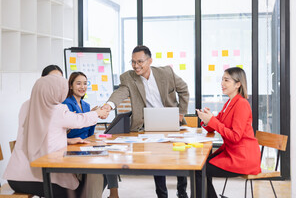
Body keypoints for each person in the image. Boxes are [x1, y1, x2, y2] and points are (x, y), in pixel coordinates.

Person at [102, 45, 190, 198]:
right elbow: (120, 93)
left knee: (179, 156)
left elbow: (184, 89)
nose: (136, 66)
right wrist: (108, 106)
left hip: (171, 121)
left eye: (140, 62)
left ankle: (182, 192)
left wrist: (181, 113)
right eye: (133, 62)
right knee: (157, 160)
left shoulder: (166, 73)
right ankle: (162, 195)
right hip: (149, 125)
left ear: (150, 61)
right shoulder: (128, 78)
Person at [3, 74, 109, 197]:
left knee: (85, 183)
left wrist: (67, 141)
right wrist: (97, 113)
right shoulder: (55, 109)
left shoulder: (26, 105)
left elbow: (40, 134)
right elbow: (79, 121)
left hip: (15, 178)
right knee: (81, 190)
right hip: (36, 177)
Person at [195, 67, 261, 198]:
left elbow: (235, 136)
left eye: (227, 80)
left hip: (242, 158)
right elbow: (215, 125)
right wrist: (207, 119)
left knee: (199, 169)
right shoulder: (229, 103)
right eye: (222, 80)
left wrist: (212, 121)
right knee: (200, 165)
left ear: (238, 84)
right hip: (233, 153)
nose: (222, 83)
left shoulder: (242, 104)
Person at [63, 71, 120, 198]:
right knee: (98, 168)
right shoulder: (66, 104)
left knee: (109, 157)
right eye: (78, 83)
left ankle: (113, 193)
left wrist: (92, 117)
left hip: (84, 145)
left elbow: (89, 133)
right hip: (72, 147)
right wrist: (91, 116)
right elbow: (72, 130)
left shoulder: (86, 105)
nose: (82, 87)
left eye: (85, 83)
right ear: (71, 86)